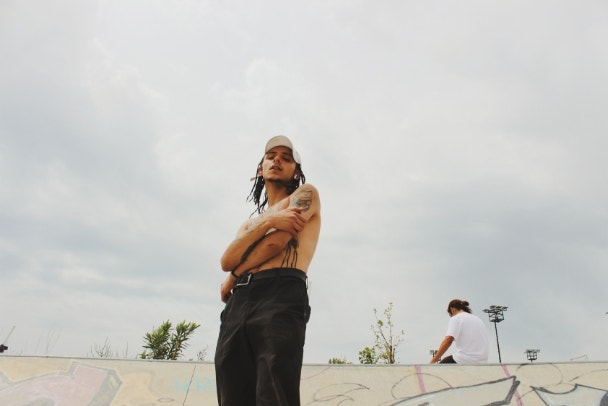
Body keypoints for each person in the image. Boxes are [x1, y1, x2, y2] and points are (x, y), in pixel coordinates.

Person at [214, 135, 321, 406]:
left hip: (281, 292)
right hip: (239, 301)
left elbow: (276, 242)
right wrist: (270, 220)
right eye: (271, 156)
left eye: (286, 158)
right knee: (232, 389)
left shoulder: (305, 194)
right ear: (260, 168)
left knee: (273, 391)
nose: (277, 160)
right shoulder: (251, 223)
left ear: (295, 171)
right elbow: (226, 260)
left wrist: (234, 275)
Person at [429, 299, 489, 364]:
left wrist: (433, 361)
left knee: (442, 366)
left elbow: (448, 340)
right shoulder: (478, 319)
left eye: (450, 315)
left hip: (466, 359)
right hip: (483, 361)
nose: (451, 316)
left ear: (452, 309)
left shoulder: (456, 318)